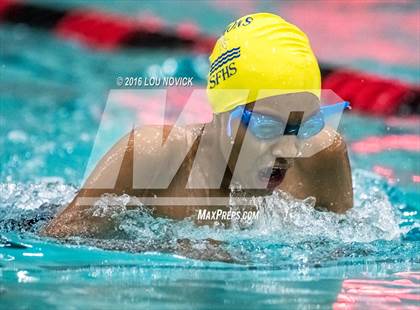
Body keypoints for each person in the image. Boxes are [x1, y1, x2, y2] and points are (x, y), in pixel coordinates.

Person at [43, 13, 353, 239]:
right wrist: (169, 249)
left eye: (302, 126)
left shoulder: (322, 157)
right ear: (220, 112)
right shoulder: (153, 156)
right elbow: (56, 252)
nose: (289, 149)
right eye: (267, 126)